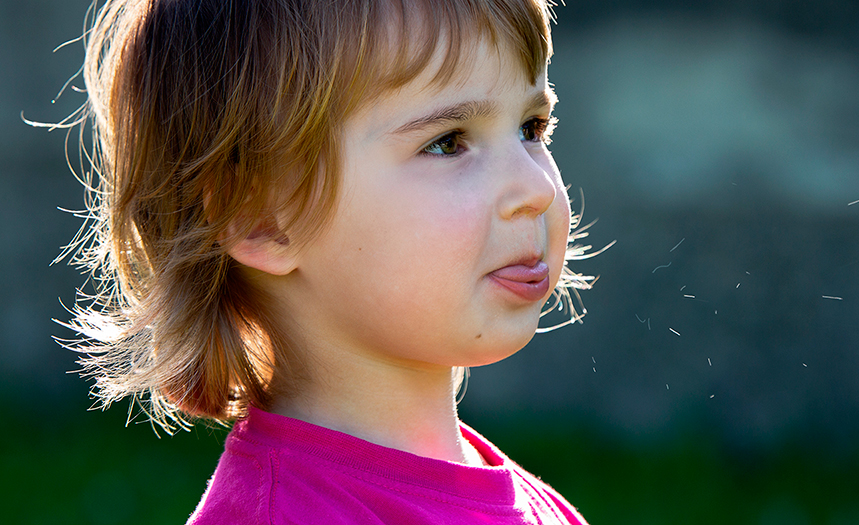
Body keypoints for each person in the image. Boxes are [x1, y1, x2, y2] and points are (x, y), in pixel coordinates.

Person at [59, 0, 596, 523]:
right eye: (447, 142)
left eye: (531, 128)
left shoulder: (530, 501)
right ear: (259, 219)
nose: (538, 188)